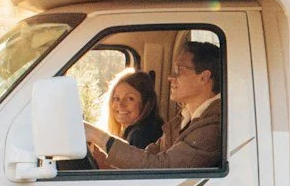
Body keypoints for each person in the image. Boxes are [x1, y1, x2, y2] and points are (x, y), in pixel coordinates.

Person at [92, 39, 224, 170]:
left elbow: (161, 167)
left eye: (179, 71)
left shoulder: (214, 125)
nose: (170, 78)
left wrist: (97, 136)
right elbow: (149, 155)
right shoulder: (183, 120)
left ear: (204, 77)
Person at [105, 68, 163, 149]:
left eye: (130, 98)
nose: (121, 105)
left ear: (146, 102)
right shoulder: (135, 131)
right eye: (116, 98)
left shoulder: (142, 135)